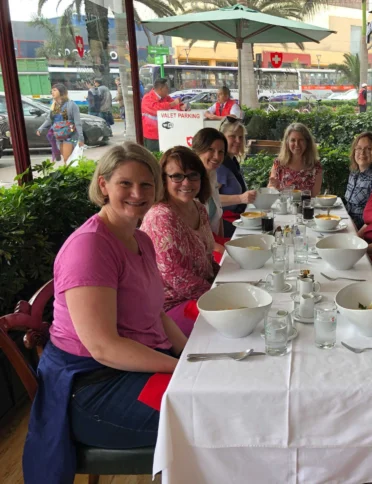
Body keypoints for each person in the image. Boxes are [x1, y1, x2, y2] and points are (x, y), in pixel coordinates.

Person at [22, 142, 187, 483]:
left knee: (215, 397)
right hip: (91, 390)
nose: (137, 193)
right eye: (125, 183)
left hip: (132, 368)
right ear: (104, 186)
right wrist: (182, 369)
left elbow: (157, 313)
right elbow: (103, 347)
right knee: (206, 414)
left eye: (146, 184)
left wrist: (192, 357)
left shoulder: (140, 239)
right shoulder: (90, 247)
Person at [141, 147, 217, 337]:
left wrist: (224, 280)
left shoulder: (199, 208)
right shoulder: (161, 217)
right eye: (177, 176)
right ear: (163, 180)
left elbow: (208, 258)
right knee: (233, 325)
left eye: (193, 175)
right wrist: (219, 294)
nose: (186, 182)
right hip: (169, 308)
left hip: (203, 295)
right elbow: (175, 275)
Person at [217, 116, 257, 237]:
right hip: (224, 226)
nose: (238, 141)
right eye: (232, 136)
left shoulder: (232, 161)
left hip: (236, 219)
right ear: (221, 138)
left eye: (240, 137)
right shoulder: (220, 165)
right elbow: (209, 199)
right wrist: (240, 198)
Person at [191, 127, 228, 253]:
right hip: (198, 251)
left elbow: (218, 215)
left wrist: (223, 242)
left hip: (214, 244)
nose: (217, 157)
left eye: (221, 152)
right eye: (210, 150)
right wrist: (223, 251)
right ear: (197, 150)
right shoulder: (188, 184)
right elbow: (192, 232)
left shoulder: (212, 175)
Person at [267, 123, 323, 196]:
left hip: (305, 207)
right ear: (287, 142)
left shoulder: (316, 166)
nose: (297, 144)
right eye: (293, 140)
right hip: (283, 206)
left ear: (307, 142)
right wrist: (275, 188)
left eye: (301, 140)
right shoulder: (278, 163)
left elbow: (314, 197)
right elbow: (269, 190)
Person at [36, 84, 84, 165]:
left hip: (70, 136)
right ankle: (68, 174)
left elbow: (78, 122)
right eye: (52, 90)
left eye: (55, 90)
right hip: (59, 135)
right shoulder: (54, 106)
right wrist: (40, 128)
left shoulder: (71, 105)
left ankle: (69, 175)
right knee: (66, 160)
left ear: (61, 92)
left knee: (67, 159)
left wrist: (81, 138)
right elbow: (49, 119)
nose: (52, 92)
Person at [344, 132, 372, 229]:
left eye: (368, 149)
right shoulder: (354, 173)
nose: (362, 152)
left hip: (360, 229)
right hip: (346, 223)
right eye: (359, 148)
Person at [141, 77, 183, 152]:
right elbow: (156, 109)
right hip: (152, 135)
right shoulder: (147, 98)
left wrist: (182, 107)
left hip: (165, 132)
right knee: (154, 156)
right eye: (166, 88)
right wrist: (173, 104)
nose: (168, 90)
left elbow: (174, 104)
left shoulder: (165, 98)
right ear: (160, 89)